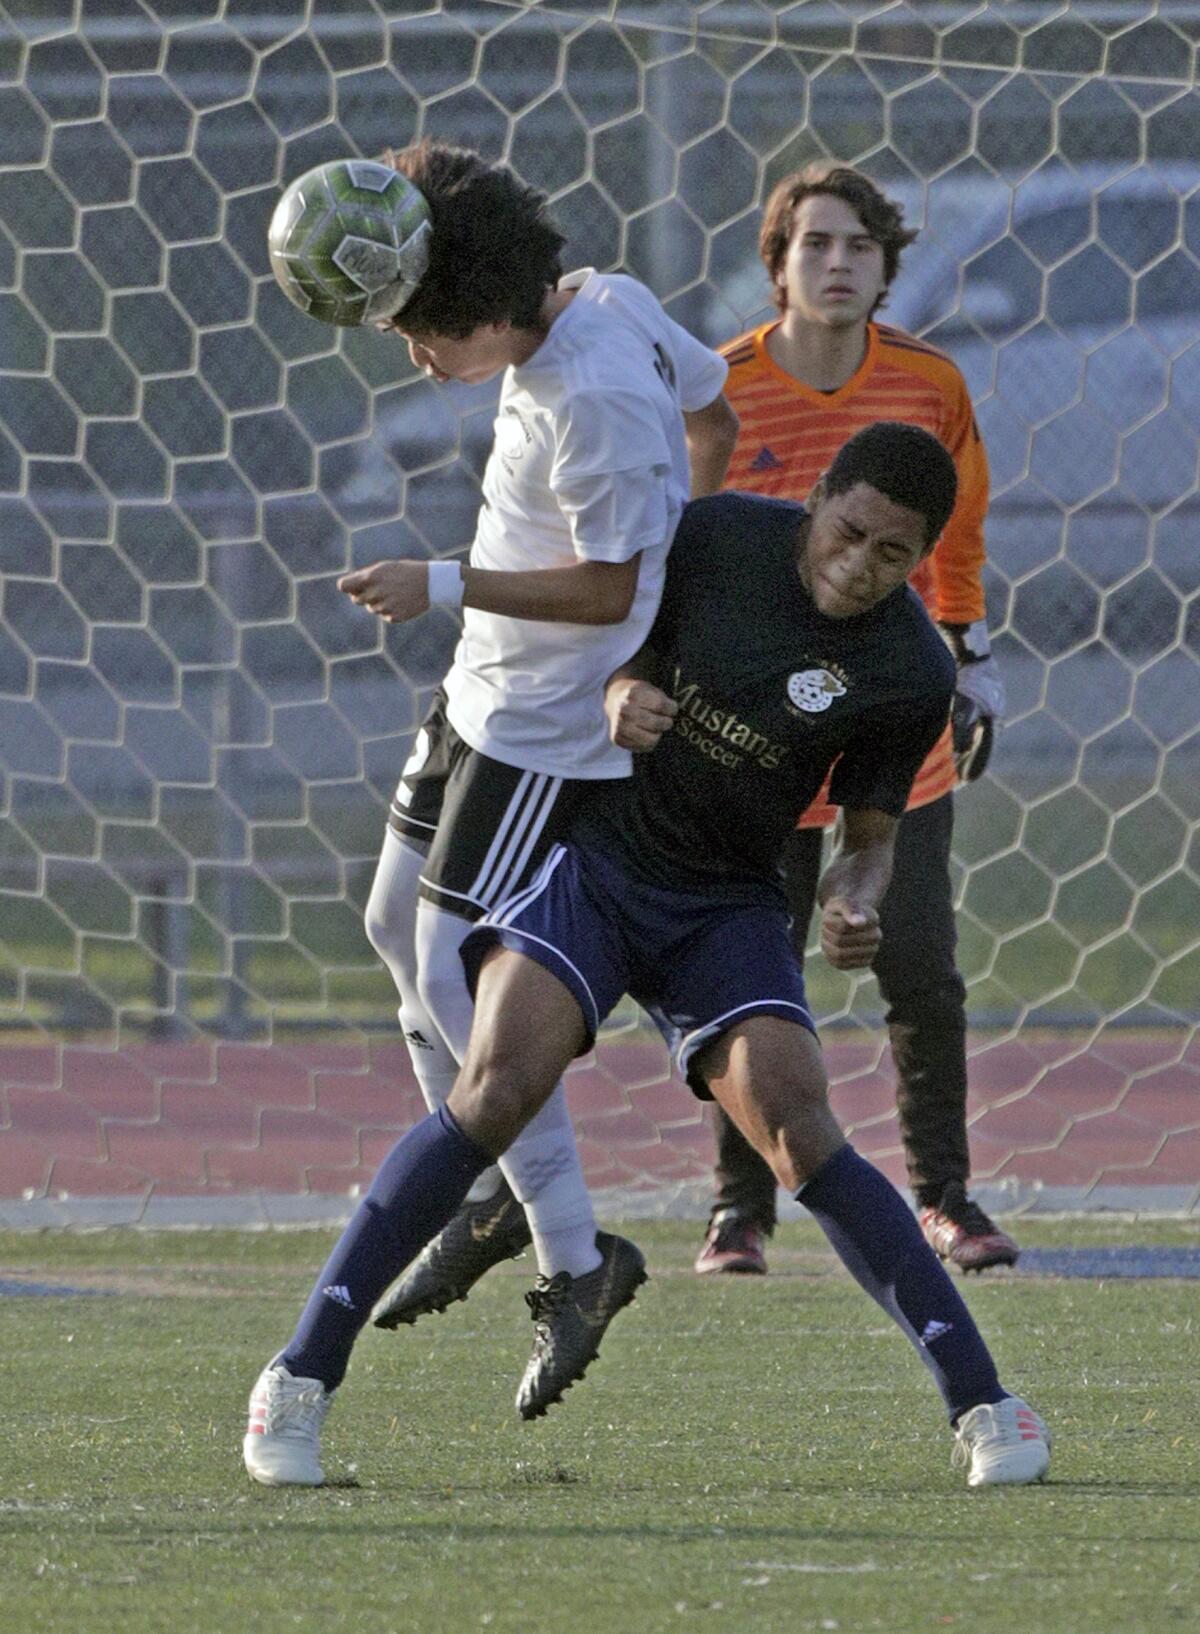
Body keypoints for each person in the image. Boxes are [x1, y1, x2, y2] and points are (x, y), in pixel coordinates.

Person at [242, 422, 1050, 1490]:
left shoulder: (907, 667)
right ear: (818, 500)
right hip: (599, 864)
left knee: (799, 1123)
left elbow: (868, 842)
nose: (860, 567)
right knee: (494, 1086)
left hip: (730, 902)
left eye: (892, 556)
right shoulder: (714, 538)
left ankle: (988, 1406)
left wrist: (859, 907)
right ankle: (295, 1382)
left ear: (920, 560)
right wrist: (618, 693)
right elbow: (607, 638)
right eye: (850, 534)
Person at [243, 140, 737, 1483]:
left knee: (467, 989)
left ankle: (569, 1248)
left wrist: (445, 578)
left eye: (422, 334)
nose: (415, 359)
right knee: (392, 925)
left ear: (486, 311)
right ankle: (506, 1201)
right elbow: (722, 403)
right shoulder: (607, 302)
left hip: (539, 737)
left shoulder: (590, 397)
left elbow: (603, 590)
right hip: (478, 700)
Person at [694, 163, 1016, 1279]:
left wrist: (967, 648)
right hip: (755, 736)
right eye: (814, 244)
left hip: (895, 721)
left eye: (859, 248)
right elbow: (694, 548)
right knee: (749, 965)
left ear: (885, 268)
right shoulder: (721, 385)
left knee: (919, 965)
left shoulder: (929, 384)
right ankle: (739, 1212)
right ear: (775, 260)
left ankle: (946, 1198)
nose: (837, 264)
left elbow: (960, 528)